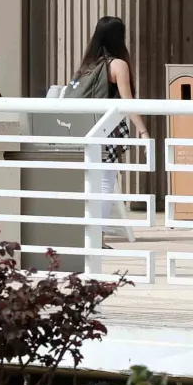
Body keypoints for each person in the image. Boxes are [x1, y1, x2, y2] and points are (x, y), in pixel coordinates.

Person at [63, 16, 148, 240]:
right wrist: (144, 132)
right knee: (104, 183)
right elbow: (127, 102)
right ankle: (96, 235)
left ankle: (90, 232)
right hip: (104, 131)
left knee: (92, 183)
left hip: (82, 130)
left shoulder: (87, 66)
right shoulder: (117, 65)